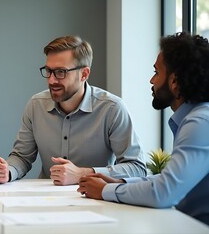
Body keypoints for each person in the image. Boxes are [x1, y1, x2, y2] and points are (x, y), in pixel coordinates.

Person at [77, 32, 209, 225]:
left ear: (174, 81)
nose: (151, 81)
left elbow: (164, 192)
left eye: (156, 72)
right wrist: (121, 184)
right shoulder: (195, 118)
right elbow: (169, 179)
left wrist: (104, 191)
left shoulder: (199, 123)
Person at [0, 35, 146, 185]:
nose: (51, 80)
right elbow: (22, 157)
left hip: (96, 200)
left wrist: (82, 173)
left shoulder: (112, 109)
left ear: (84, 74)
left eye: (60, 72)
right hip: (46, 201)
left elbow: (137, 168)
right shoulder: (35, 105)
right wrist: (8, 171)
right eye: (48, 71)